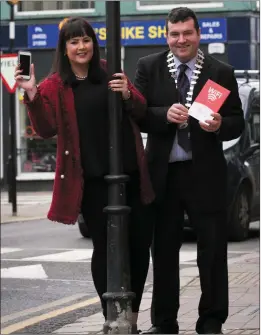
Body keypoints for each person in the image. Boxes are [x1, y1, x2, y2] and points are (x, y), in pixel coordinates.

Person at [14, 17, 154, 334]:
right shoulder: (54, 85)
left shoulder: (110, 73)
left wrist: (129, 95)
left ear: (94, 43)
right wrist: (32, 94)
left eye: (86, 40)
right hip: (92, 183)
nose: (81, 46)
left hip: (131, 175)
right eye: (74, 41)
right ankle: (113, 317)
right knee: (105, 249)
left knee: (139, 245)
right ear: (64, 48)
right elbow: (46, 129)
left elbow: (141, 110)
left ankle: (130, 318)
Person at [134, 7, 245, 335]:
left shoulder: (220, 71)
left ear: (198, 34)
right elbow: (138, 113)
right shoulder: (149, 67)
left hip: (205, 175)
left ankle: (211, 320)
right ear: (166, 35)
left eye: (187, 33)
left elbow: (237, 120)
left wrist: (220, 124)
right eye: (174, 34)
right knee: (164, 253)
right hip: (163, 176)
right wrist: (163, 115)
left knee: (212, 251)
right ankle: (164, 322)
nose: (181, 40)